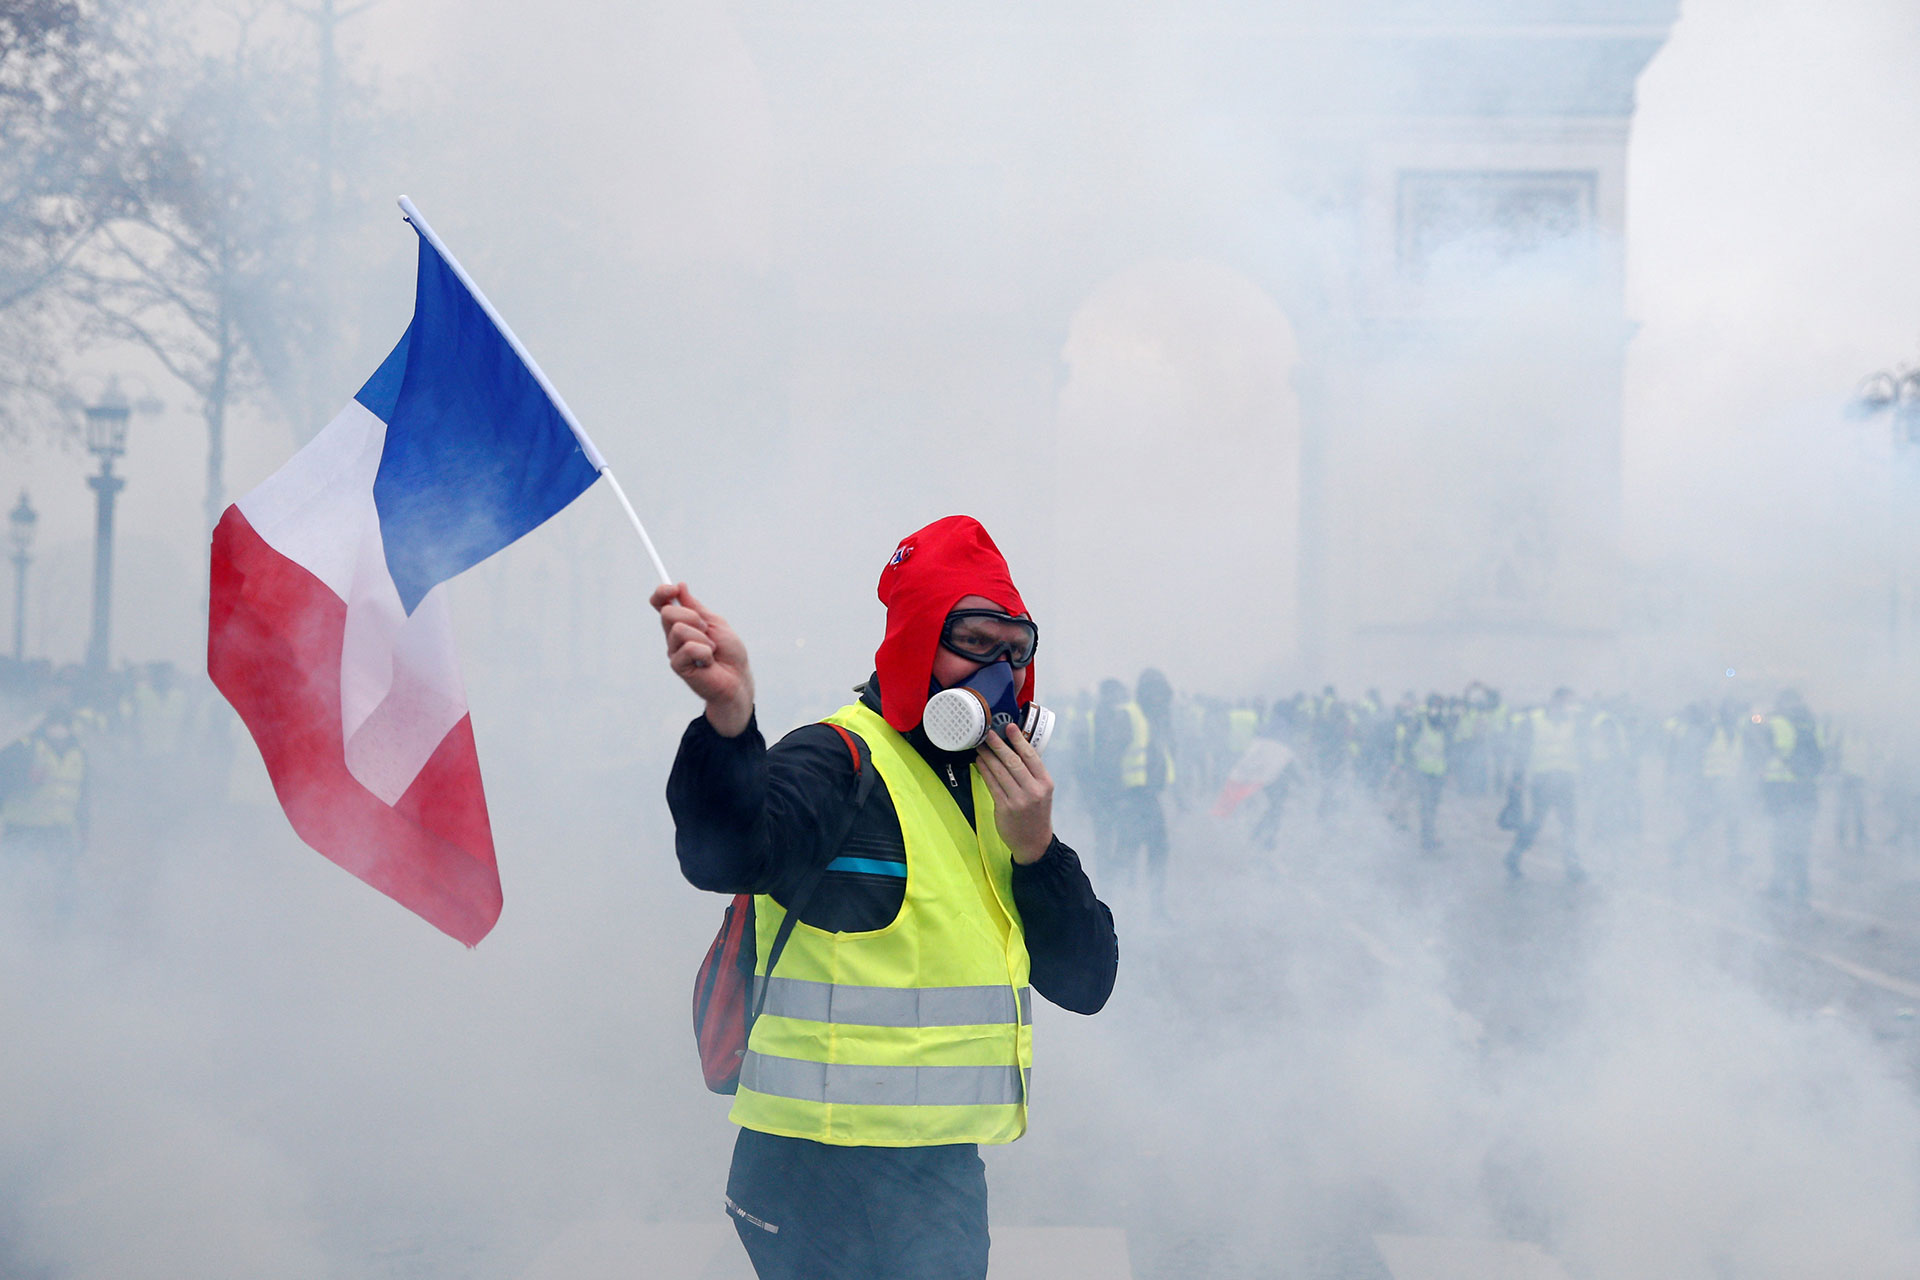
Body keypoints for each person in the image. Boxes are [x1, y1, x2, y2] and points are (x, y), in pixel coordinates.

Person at [654, 515, 1117, 1280]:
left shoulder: (993, 787)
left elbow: (1086, 982)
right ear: (915, 637)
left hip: (934, 1175)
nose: (996, 669)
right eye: (972, 640)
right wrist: (730, 724)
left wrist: (1037, 847)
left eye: (1015, 648)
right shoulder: (839, 757)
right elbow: (720, 854)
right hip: (815, 1175)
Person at [1110, 667, 1175, 916]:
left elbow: (1163, 757)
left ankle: (1156, 908)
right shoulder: (1128, 715)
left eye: (1162, 693)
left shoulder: (1157, 719)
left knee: (1159, 851)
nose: (1160, 698)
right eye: (1155, 692)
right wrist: (1117, 799)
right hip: (1130, 798)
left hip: (1150, 798)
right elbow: (1110, 759)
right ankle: (1116, 909)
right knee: (1126, 853)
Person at [1504, 687, 1584, 882]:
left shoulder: (1574, 722)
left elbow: (1582, 750)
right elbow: (1520, 753)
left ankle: (1572, 866)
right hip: (1542, 781)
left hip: (1565, 780)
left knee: (1569, 825)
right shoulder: (1533, 721)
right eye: (1566, 702)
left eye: (1571, 703)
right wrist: (1517, 779)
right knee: (1536, 823)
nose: (1569, 707)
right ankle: (1513, 856)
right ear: (1555, 701)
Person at [1757, 689, 1822, 909]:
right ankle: (1802, 890)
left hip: (1781, 791)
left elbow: (1761, 755)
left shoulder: (1776, 722)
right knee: (1801, 842)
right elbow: (1820, 756)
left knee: (1781, 841)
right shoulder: (1811, 723)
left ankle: (1780, 885)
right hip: (1806, 791)